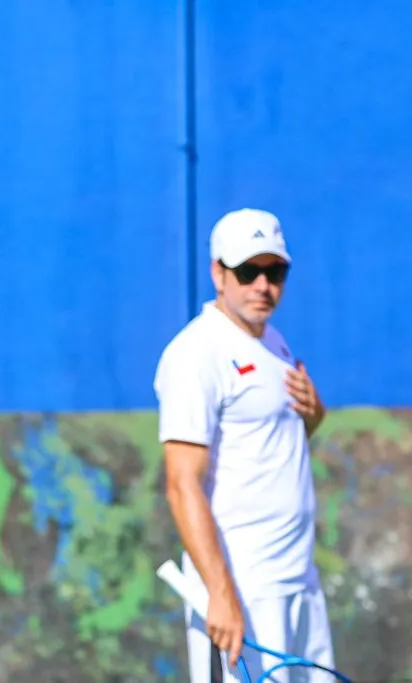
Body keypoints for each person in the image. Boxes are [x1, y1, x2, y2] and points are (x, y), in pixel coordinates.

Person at [153, 208, 334, 682]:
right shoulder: (196, 355)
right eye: (248, 271)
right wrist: (220, 593)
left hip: (300, 581)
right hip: (244, 589)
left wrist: (314, 413)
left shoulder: (274, 342)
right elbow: (181, 484)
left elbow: (273, 441)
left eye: (275, 272)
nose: (263, 286)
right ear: (219, 273)